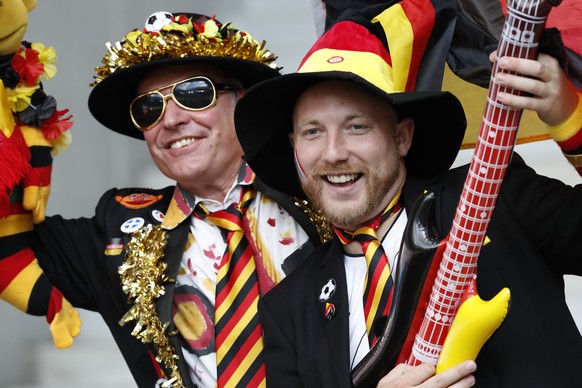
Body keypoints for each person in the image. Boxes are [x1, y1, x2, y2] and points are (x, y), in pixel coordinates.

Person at [233, 4, 582, 388]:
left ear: (402, 137)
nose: (333, 153)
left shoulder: (494, 195)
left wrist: (571, 119)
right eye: (313, 132)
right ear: (294, 147)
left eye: (356, 126)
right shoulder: (287, 308)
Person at [0, 11, 327, 388]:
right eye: (149, 108)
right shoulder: (120, 229)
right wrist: (15, 112)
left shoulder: (320, 189)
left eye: (193, 94)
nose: (170, 120)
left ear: (244, 101)